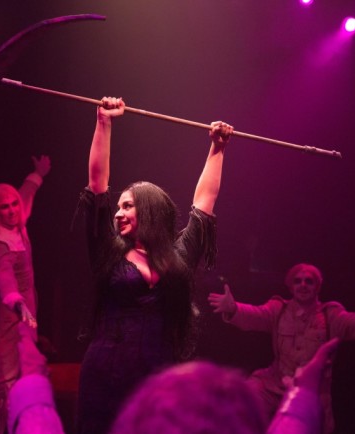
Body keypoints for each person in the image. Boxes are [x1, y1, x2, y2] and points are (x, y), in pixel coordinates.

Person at [77, 96, 233, 434]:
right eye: (118, 207)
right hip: (106, 371)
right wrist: (104, 123)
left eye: (128, 206)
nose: (118, 213)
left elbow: (204, 203)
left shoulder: (177, 257)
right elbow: (97, 184)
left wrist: (217, 148)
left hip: (157, 373)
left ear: (150, 211)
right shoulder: (109, 251)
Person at [208, 263, 355, 434]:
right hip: (275, 383)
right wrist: (233, 309)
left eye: (309, 281)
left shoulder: (330, 315)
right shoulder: (278, 309)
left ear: (317, 287)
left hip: (312, 389)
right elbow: (255, 315)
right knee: (243, 400)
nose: (303, 285)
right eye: (298, 281)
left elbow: (352, 323)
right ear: (291, 286)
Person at [109, 337, 341, 434]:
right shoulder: (279, 310)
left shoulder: (326, 313)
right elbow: (293, 426)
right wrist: (304, 391)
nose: (303, 285)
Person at [0, 155, 51, 434]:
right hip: (4, 320)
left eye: (13, 206)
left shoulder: (16, 224)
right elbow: (2, 280)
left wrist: (37, 175)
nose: (11, 210)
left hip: (21, 320)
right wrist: (18, 303)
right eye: (4, 208)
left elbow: (24, 196)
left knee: (15, 383)